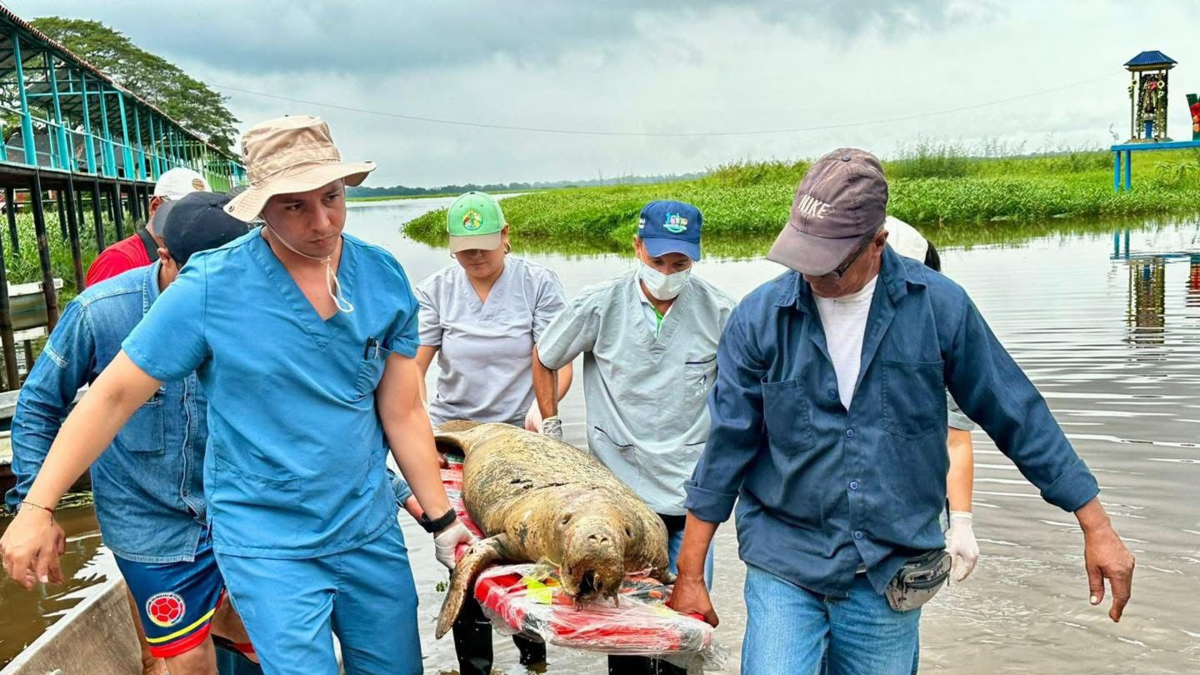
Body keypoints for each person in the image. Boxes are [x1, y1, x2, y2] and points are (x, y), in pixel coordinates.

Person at [0, 115, 474, 675]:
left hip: (365, 529)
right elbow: (112, 398)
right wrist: (36, 506)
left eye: (331, 197)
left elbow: (402, 410)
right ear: (261, 208)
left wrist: (444, 522)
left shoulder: (383, 276)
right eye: (294, 206)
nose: (322, 222)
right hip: (268, 540)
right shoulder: (211, 285)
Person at [670, 149, 1135, 675]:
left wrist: (1095, 525)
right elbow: (727, 447)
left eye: (829, 266)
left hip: (890, 563)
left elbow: (1016, 413)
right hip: (787, 554)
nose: (812, 278)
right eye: (802, 259)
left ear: (878, 242)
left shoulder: (938, 308)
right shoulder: (760, 319)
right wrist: (690, 573)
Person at [6, 191, 254, 675]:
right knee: (187, 660)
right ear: (165, 256)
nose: (218, 292)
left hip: (236, 505)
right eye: (200, 277)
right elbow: (38, 405)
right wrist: (33, 506)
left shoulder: (256, 308)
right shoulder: (101, 312)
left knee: (269, 640)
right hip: (148, 517)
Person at [532, 200, 735, 675]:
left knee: (683, 634)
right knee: (624, 637)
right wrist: (554, 431)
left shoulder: (722, 312)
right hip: (618, 495)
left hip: (690, 494)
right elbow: (544, 357)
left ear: (696, 258)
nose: (667, 272)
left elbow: (743, 398)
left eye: (679, 264)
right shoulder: (599, 304)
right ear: (637, 246)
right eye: (658, 260)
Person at [414, 191, 573, 674]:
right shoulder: (436, 290)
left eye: (484, 245)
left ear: (505, 237)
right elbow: (414, 369)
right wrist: (420, 424)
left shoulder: (538, 285)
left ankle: (533, 656)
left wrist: (540, 410)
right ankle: (475, 666)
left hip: (518, 438)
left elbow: (555, 360)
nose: (476, 257)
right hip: (456, 437)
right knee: (461, 549)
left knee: (525, 542)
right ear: (450, 247)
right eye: (465, 249)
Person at [85, 168, 211, 287]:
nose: (195, 220)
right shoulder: (118, 260)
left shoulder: (186, 257)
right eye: (186, 210)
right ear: (155, 206)